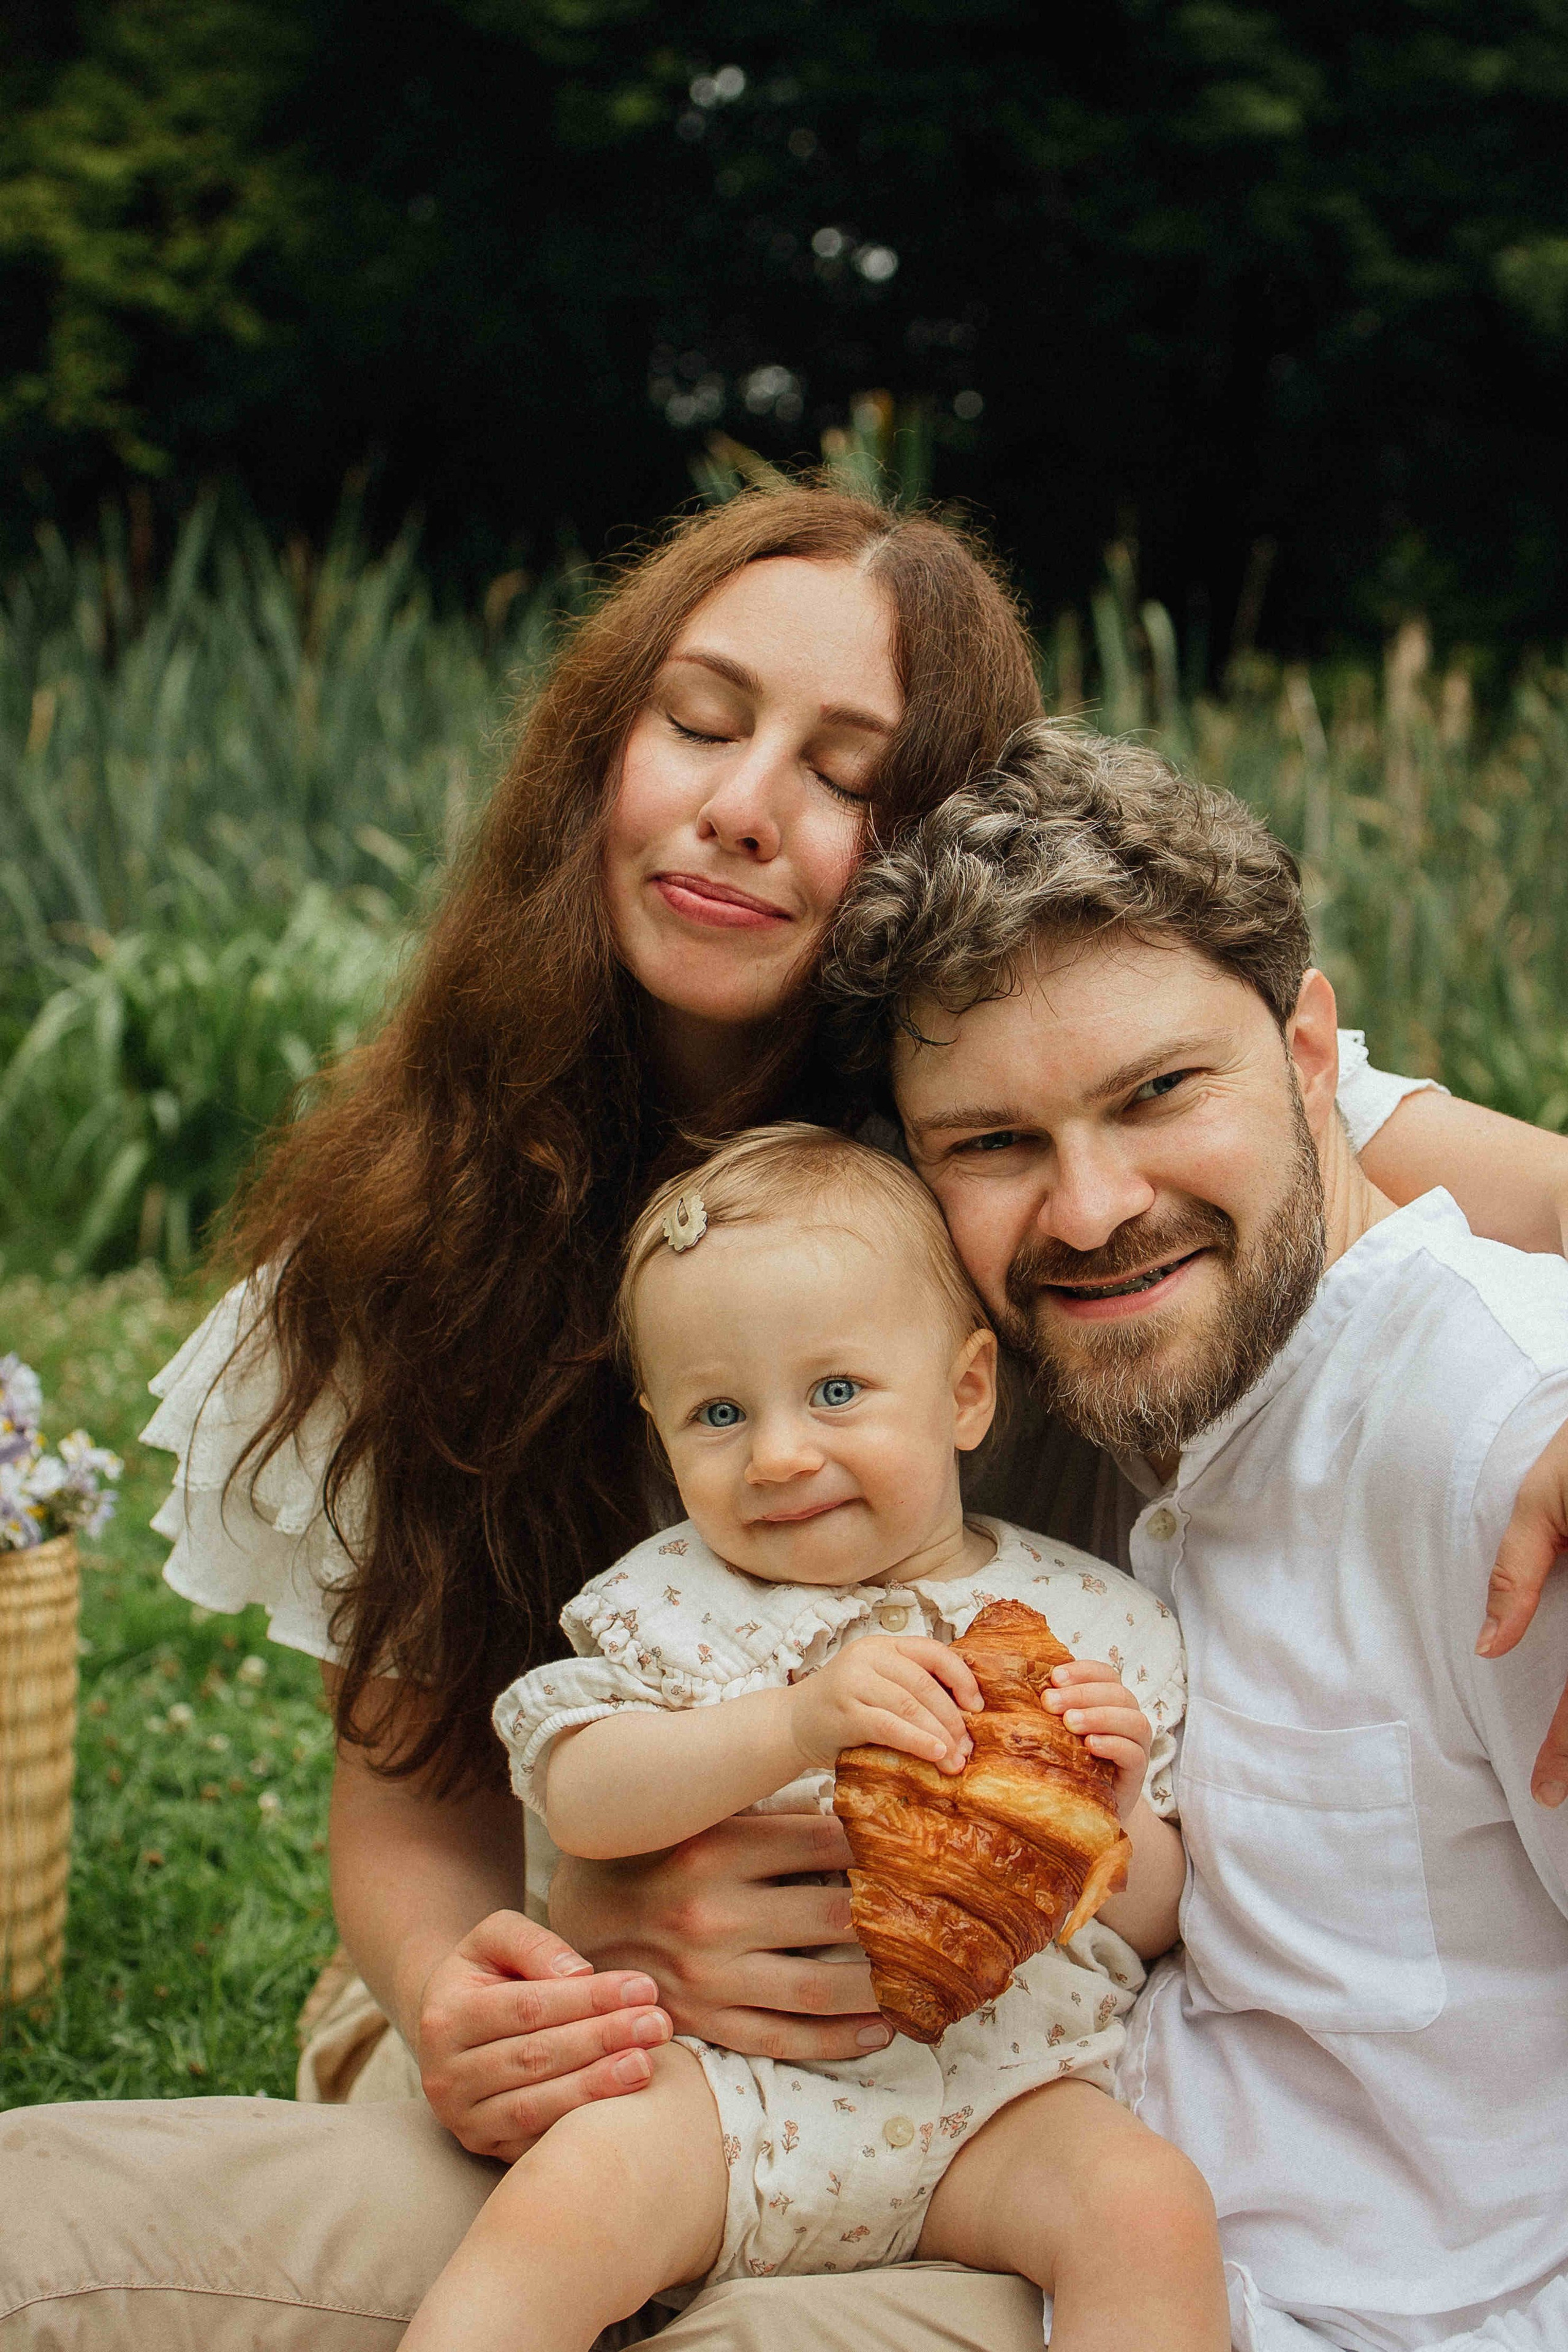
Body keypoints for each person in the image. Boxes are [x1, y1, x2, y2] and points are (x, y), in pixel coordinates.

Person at [4, 483, 1568, 2352]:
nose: (746, 803)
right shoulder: (436, 1209)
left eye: (845, 769)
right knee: (64, 2228)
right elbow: (414, 1794)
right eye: (702, 718)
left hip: (997, 2102)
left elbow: (1452, 1228)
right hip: (608, 2043)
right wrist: (488, 1979)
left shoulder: (1041, 1048)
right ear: (601, 750)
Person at [819, 721, 1568, 2350]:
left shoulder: (1507, 1443)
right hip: (1063, 2218)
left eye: (1158, 1095)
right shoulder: (1174, 1426)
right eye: (995, 1145)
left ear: (1314, 1057)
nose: (1088, 1209)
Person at [404, 1123, 1222, 2352]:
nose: (780, 1454)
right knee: (561, 2211)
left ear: (963, 1392)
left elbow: (1155, 1920)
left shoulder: (1092, 1623)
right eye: (718, 1413)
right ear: (659, 1431)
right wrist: (788, 1723)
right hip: (726, 2098)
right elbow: (579, 1794)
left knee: (1147, 2209)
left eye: (835, 1391)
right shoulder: (672, 1600)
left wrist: (1114, 1812)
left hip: (1003, 2099)